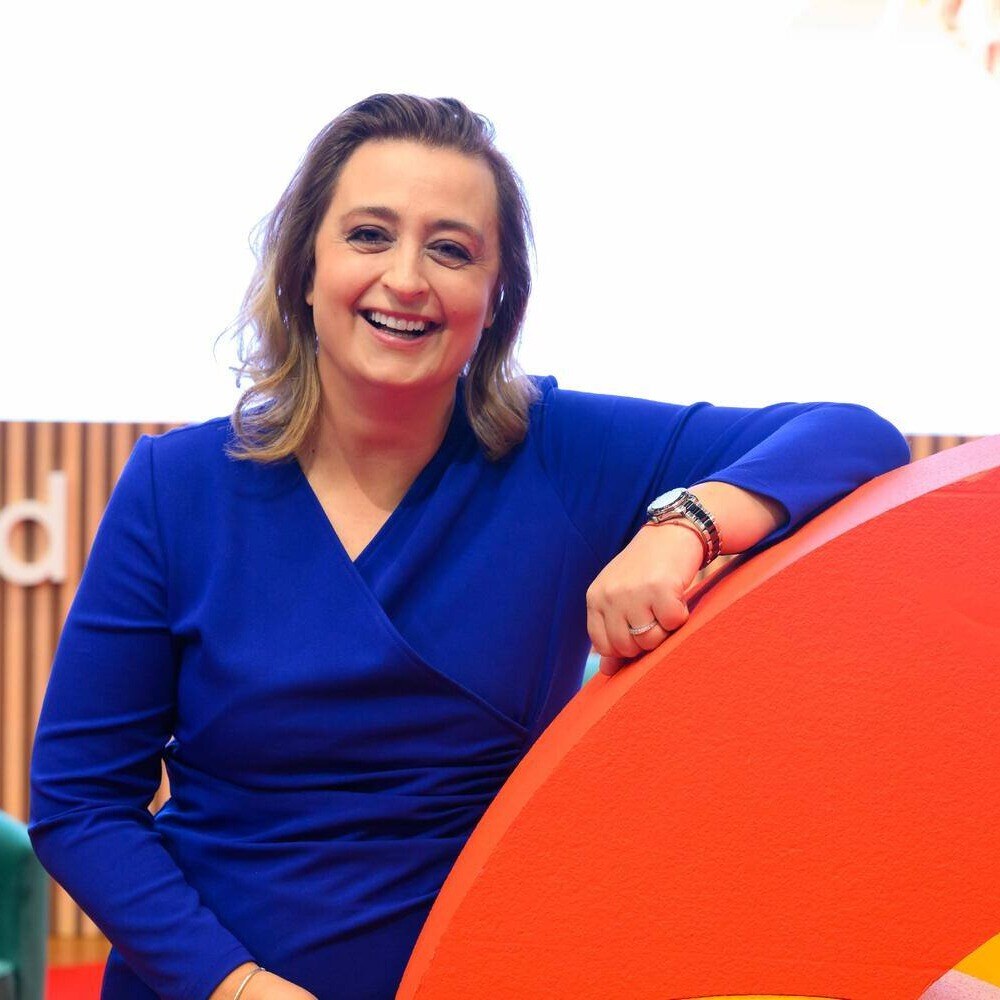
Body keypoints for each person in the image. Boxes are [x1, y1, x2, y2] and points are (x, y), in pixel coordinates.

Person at [28, 94, 910, 1000]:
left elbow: (854, 434)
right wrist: (235, 986)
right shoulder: (176, 486)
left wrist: (687, 524)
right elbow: (79, 801)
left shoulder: (560, 452)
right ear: (304, 269)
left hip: (484, 972)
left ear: (496, 302)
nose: (407, 278)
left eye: (451, 249)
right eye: (369, 235)